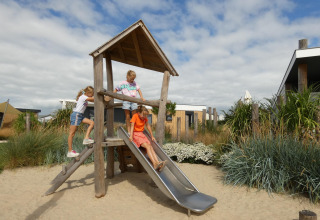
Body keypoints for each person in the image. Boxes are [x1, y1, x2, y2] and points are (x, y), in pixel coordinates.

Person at [129, 105, 166, 172]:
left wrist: (152, 136)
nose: (144, 117)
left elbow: (148, 126)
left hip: (141, 134)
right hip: (136, 134)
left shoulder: (144, 118)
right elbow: (132, 125)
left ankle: (158, 163)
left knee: (150, 146)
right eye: (143, 116)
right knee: (147, 147)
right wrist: (131, 136)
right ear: (139, 113)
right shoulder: (135, 116)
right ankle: (154, 164)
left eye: (145, 116)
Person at [67, 86, 95, 157]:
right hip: (76, 114)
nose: (93, 95)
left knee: (92, 123)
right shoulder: (83, 97)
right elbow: (93, 99)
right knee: (72, 133)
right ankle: (70, 151)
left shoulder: (84, 97)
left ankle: (86, 138)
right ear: (88, 93)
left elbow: (92, 98)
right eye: (92, 93)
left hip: (80, 115)